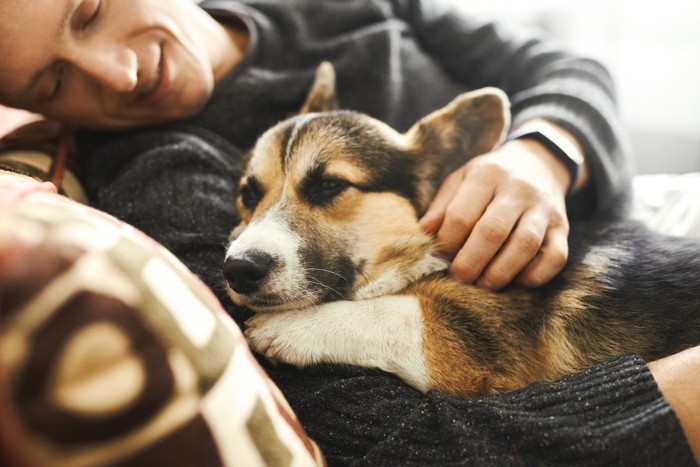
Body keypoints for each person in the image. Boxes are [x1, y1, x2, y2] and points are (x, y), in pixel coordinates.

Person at [0, 0, 698, 464]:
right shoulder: (158, 173)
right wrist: (670, 403)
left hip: (627, 238)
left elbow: (561, 68)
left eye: (88, 10)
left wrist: (542, 152)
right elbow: (381, 434)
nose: (117, 74)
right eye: (54, 82)